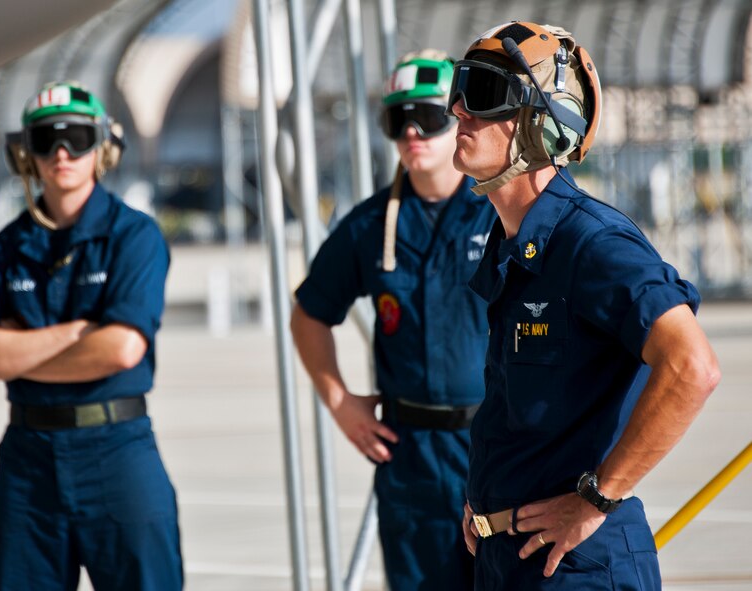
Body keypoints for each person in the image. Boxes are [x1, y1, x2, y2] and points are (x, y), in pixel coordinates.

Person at [446, 21, 721, 589]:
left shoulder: (593, 243)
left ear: (541, 123)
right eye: (459, 88)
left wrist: (598, 497)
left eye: (483, 93)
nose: (457, 110)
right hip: (507, 562)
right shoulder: (511, 247)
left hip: (576, 568)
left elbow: (691, 367)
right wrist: (486, 504)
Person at [0, 81, 183, 591]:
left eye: (77, 137)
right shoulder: (3, 249)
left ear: (101, 149)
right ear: (24, 154)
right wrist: (79, 333)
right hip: (28, 460)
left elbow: (122, 348)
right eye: (46, 140)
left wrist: (15, 350)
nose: (61, 153)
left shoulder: (134, 236)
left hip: (117, 453)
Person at [291, 50, 496, 590]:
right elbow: (309, 314)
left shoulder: (506, 213)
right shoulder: (367, 227)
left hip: (500, 447)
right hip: (414, 462)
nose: (411, 132)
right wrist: (339, 401)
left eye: (427, 117)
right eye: (397, 119)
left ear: (460, 117)